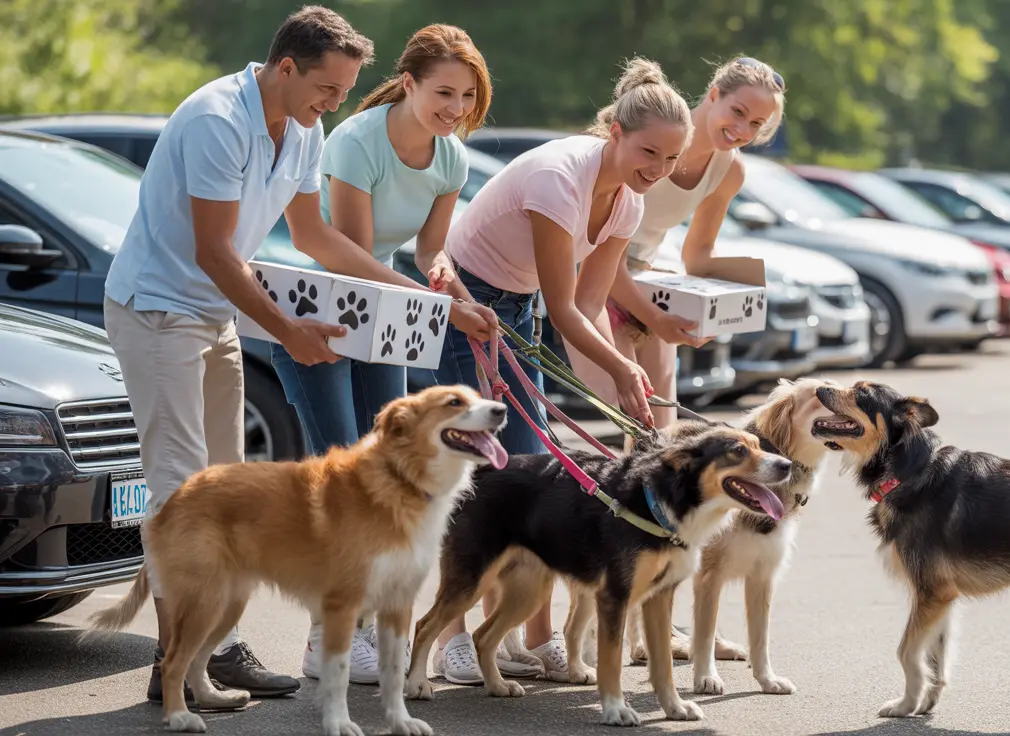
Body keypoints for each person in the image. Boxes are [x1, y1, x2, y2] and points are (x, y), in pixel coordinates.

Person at [101, 6, 418, 705]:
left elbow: (314, 237)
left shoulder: (303, 126)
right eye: (328, 90)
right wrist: (291, 332)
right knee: (186, 494)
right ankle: (174, 670)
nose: (336, 105)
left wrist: (416, 295)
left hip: (212, 314)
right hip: (157, 313)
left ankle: (214, 649)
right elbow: (216, 251)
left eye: (341, 93)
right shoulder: (218, 119)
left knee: (232, 488)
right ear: (284, 68)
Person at [427, 57, 694, 684]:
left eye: (670, 162)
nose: (657, 172)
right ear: (616, 134)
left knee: (524, 470)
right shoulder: (559, 177)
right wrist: (624, 373)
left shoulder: (625, 203)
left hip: (513, 310)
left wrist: (626, 375)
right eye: (648, 153)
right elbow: (566, 308)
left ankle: (527, 638)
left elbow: (596, 306)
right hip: (466, 305)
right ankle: (450, 637)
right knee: (474, 474)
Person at [268, 24, 501, 686]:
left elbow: (430, 253)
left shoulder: (450, 155)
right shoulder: (357, 142)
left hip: (392, 312)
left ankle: (363, 626)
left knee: (400, 463)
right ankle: (328, 637)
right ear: (408, 83)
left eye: (467, 96)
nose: (455, 109)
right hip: (322, 308)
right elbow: (355, 259)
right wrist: (440, 306)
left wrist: (454, 291)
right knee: (342, 468)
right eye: (444, 92)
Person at [563, 56, 786, 430]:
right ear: (714, 94)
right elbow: (601, 254)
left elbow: (697, 255)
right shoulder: (657, 139)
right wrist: (657, 318)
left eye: (756, 124)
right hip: (591, 283)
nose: (742, 129)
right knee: (631, 419)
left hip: (645, 286)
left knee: (663, 432)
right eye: (738, 111)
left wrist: (727, 302)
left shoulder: (729, 169)